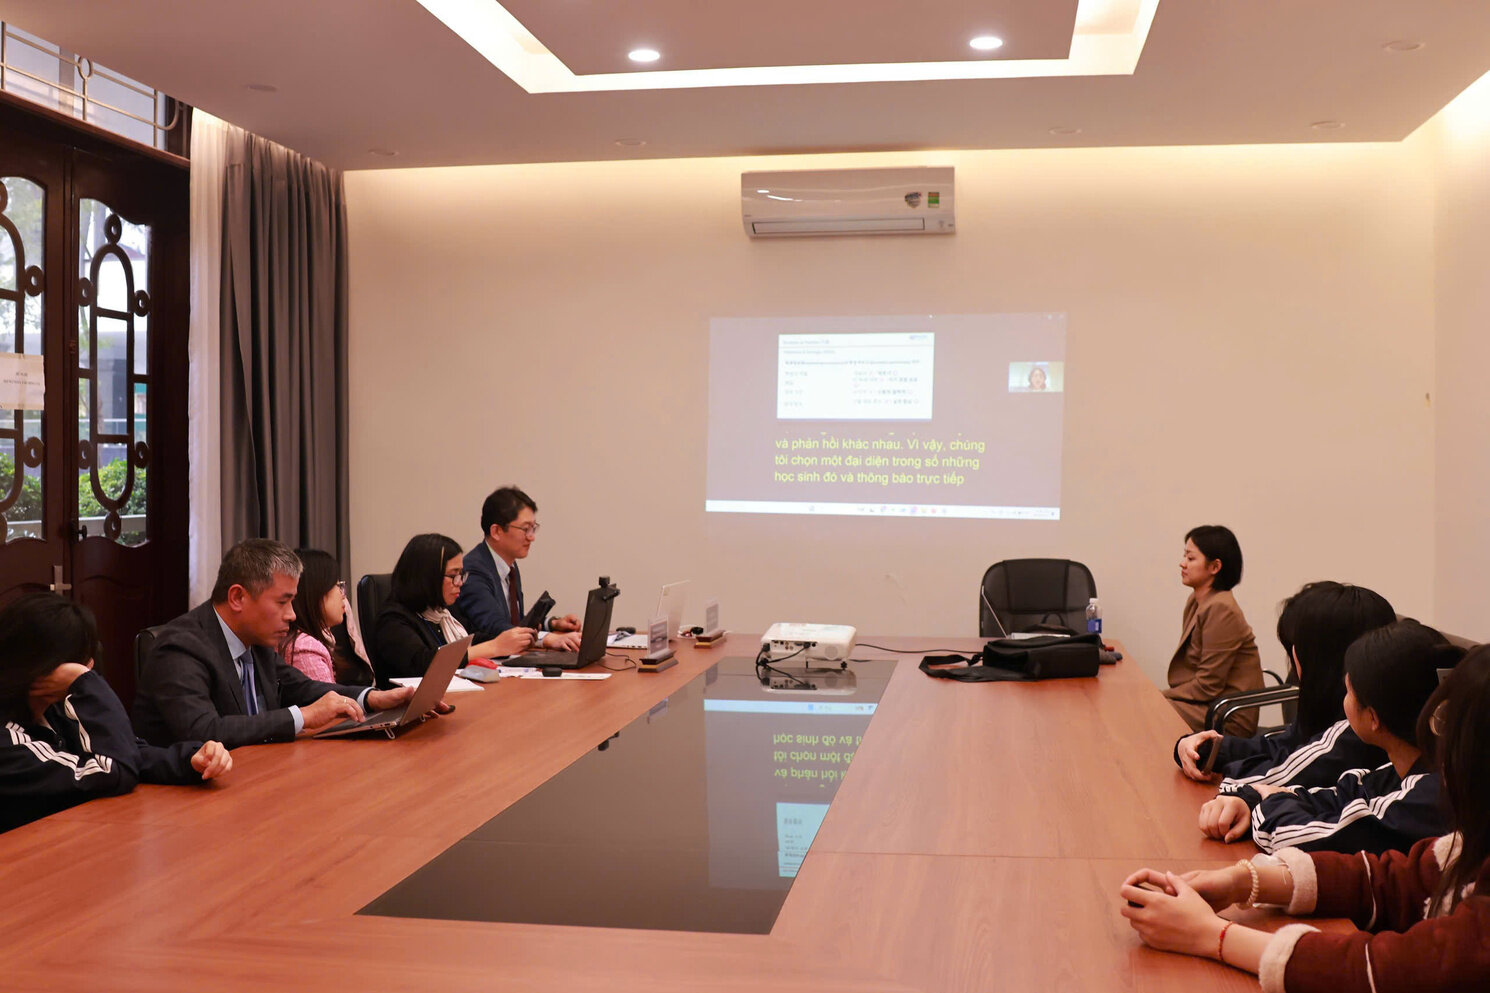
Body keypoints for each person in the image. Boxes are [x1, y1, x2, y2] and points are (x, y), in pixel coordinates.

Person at [1120, 643, 1490, 993]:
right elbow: (1386, 881)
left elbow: (1384, 970)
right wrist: (1242, 882)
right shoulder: (1467, 844)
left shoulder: (1423, 791)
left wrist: (1209, 935)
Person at [1195, 620, 1457, 855]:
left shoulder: (1430, 797)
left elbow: (1304, 838)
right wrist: (1252, 800)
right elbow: (1342, 796)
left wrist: (1264, 801)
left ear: (1373, 718)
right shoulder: (1406, 767)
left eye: (1349, 691)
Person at [133, 539, 418, 748]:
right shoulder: (180, 647)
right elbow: (205, 730)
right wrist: (303, 716)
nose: (292, 615)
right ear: (237, 598)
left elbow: (302, 687)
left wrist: (371, 698)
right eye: (283, 602)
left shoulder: (254, 639)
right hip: (183, 799)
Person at [1, 593, 231, 833]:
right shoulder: (7, 740)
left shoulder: (52, 710)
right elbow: (113, 770)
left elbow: (128, 752)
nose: (90, 665)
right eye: (81, 662)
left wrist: (190, 760)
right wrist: (86, 685)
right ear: (43, 667)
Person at [1174, 581, 1395, 788]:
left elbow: (1268, 778)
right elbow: (1281, 747)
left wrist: (1216, 764)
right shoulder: (1332, 706)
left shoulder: (1358, 729)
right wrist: (1201, 749)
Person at [372, 532, 524, 681]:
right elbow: (422, 663)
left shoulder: (442, 610)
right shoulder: (393, 620)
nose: (460, 582)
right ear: (427, 577)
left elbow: (471, 638)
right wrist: (493, 647)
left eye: (461, 574)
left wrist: (509, 641)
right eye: (453, 575)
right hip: (413, 697)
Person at [454, 486, 581, 654]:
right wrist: (546, 638)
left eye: (533, 528)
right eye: (525, 529)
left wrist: (552, 623)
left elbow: (514, 622)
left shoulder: (509, 565)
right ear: (496, 531)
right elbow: (495, 627)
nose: (531, 537)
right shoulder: (473, 570)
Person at [1165, 524, 1265, 735]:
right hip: (1207, 705)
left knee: (1148, 707)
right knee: (1144, 704)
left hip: (1227, 715)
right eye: (1184, 556)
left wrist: (1159, 695)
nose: (1182, 563)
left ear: (1214, 567)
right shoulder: (1197, 601)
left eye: (1191, 558)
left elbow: (1208, 685)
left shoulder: (1221, 608)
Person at [280, 548, 375, 686]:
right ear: (316, 592)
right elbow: (329, 699)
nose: (343, 595)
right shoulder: (304, 649)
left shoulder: (317, 638)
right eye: (337, 585)